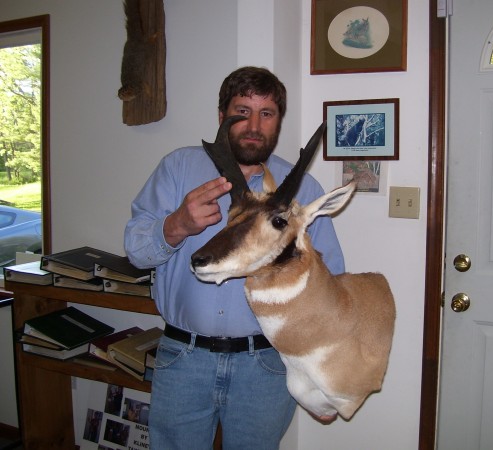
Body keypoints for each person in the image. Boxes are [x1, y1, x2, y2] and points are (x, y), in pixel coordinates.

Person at [124, 66, 345, 450]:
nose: (254, 124)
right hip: (184, 358)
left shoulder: (304, 190)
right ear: (221, 115)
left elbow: (330, 286)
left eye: (267, 113)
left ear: (279, 121)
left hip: (266, 364)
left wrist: (317, 375)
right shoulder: (178, 168)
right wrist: (178, 224)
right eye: (242, 111)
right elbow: (136, 252)